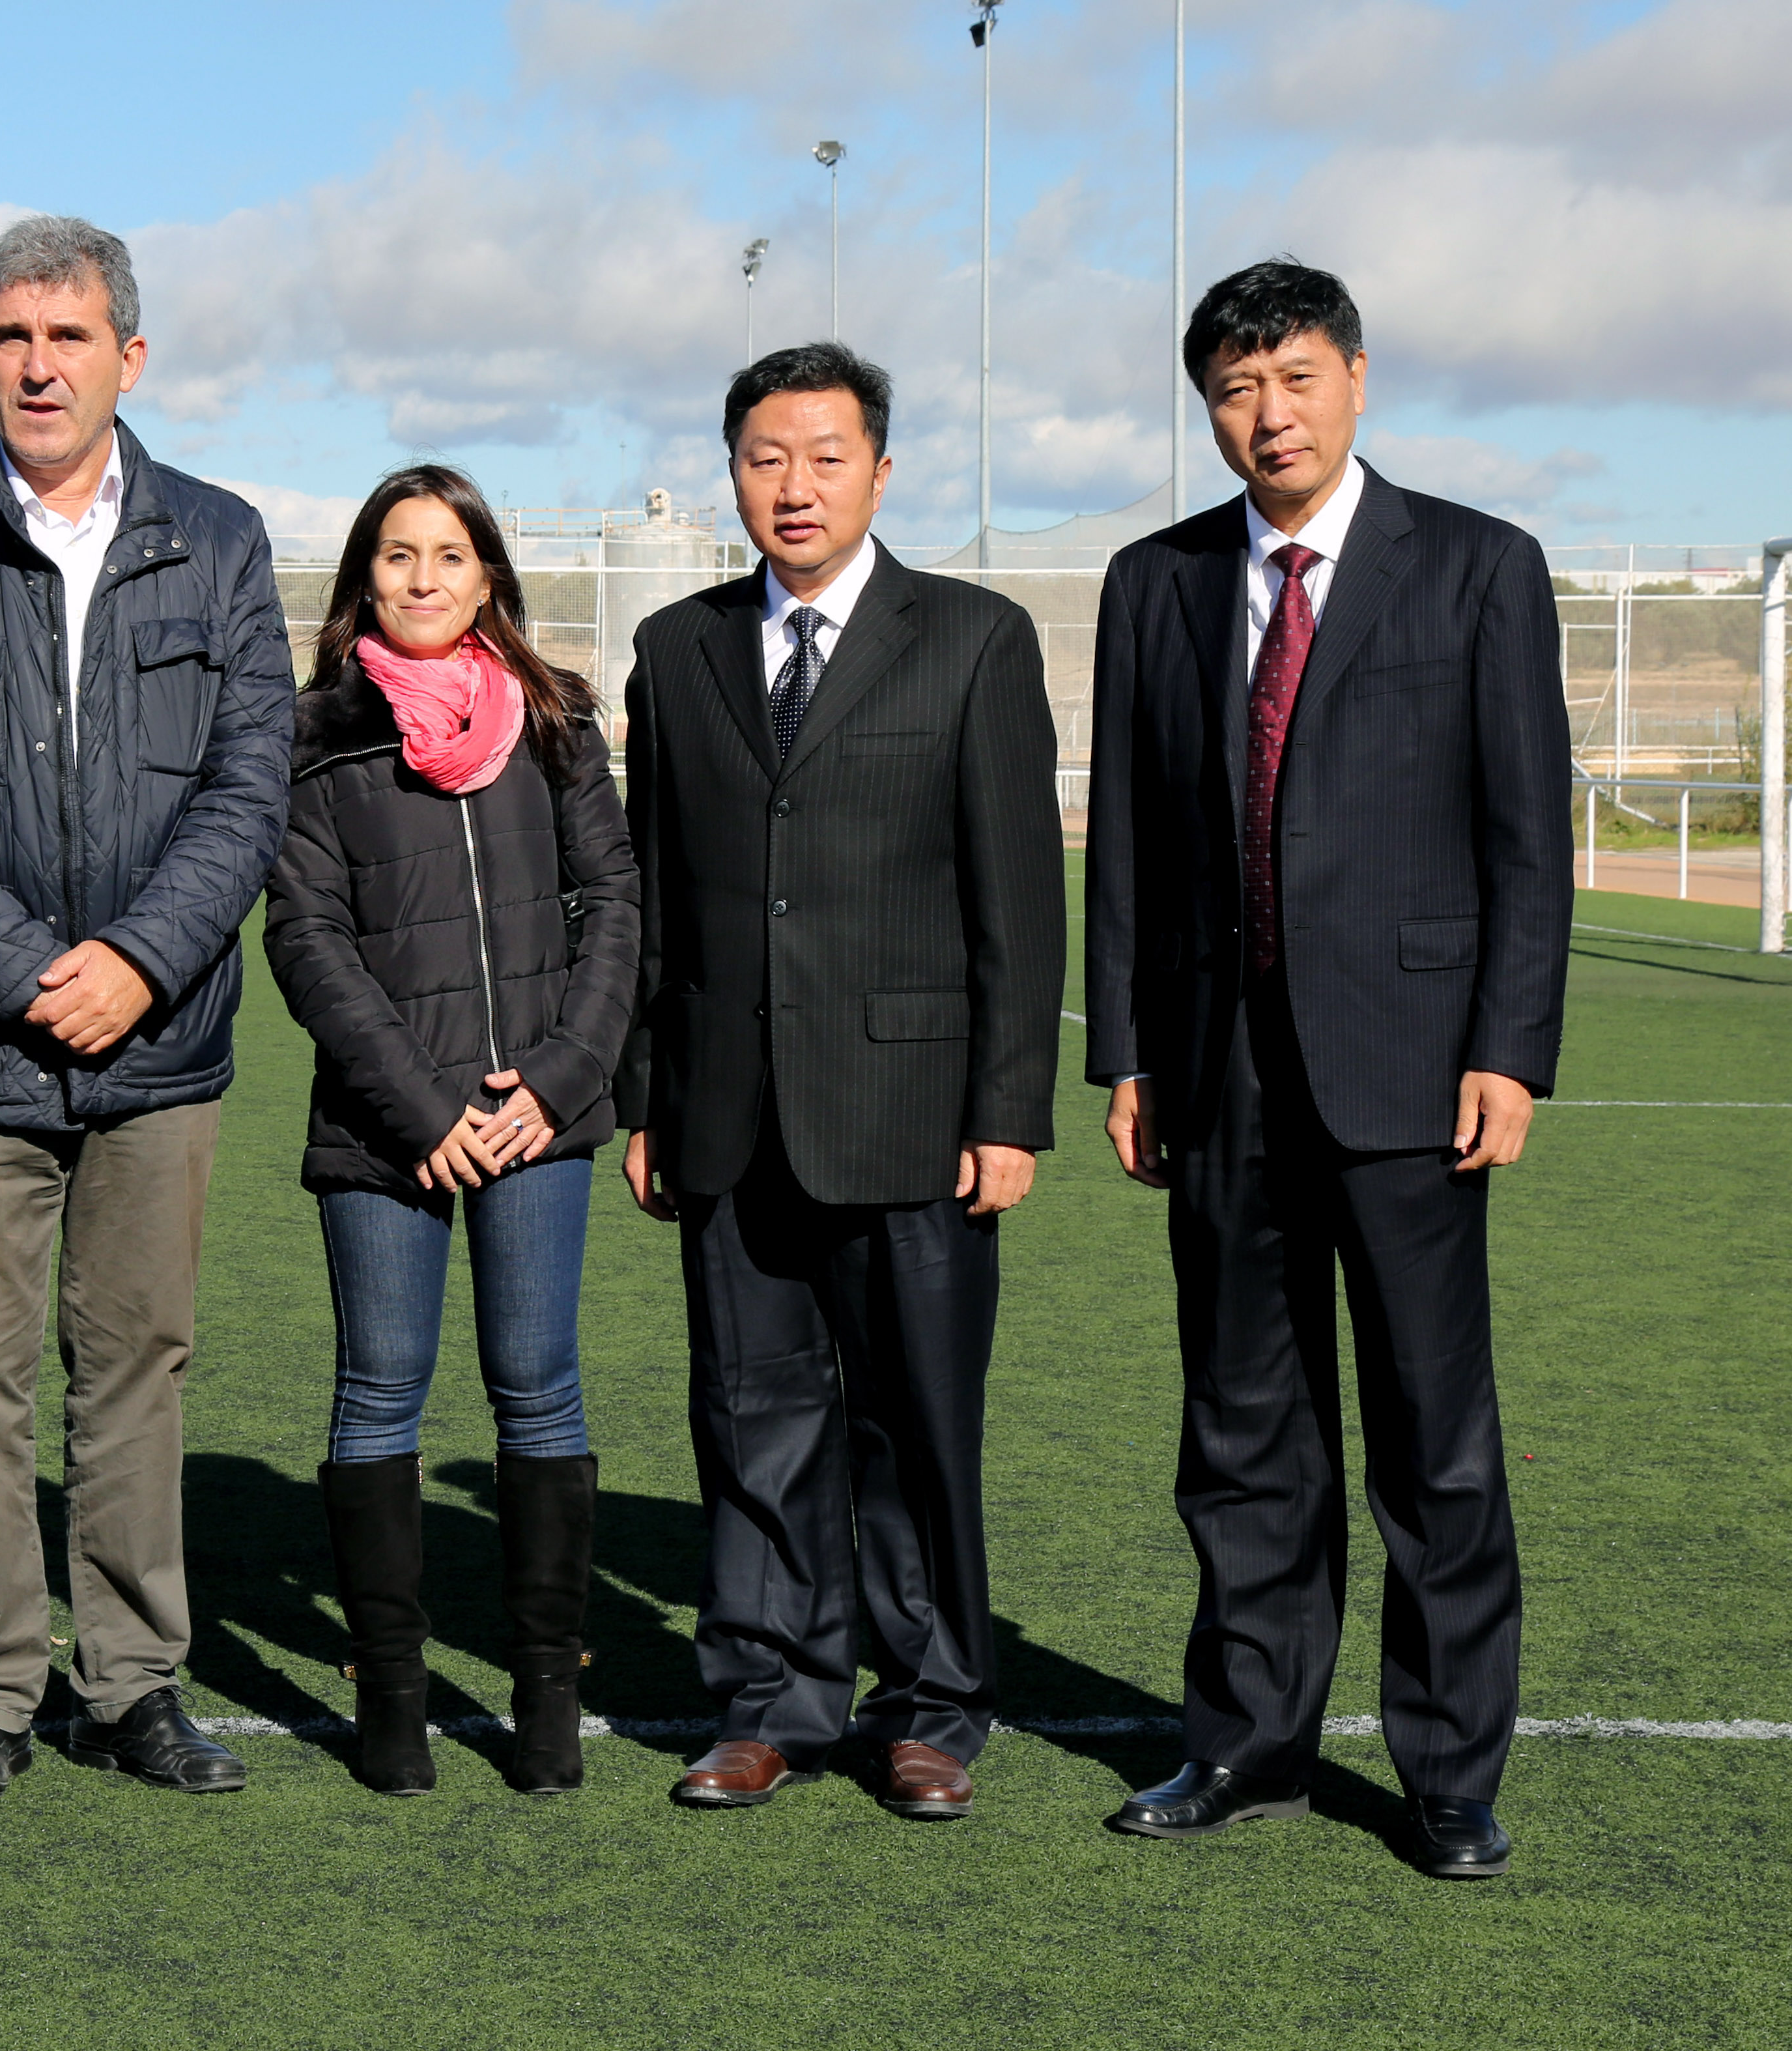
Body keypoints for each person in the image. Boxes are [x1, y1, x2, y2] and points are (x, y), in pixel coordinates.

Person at [1087, 261, 1569, 1879]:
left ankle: (1448, 1774)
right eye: (1233, 386)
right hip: (1219, 1078)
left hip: (1415, 1073)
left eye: (1293, 376)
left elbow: (1525, 834)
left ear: (1357, 377)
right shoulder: (1152, 581)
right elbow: (1135, 847)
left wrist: (1511, 1046)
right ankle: (1244, 1738)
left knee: (1435, 1438)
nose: (1266, 413)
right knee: (1241, 1431)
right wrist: (1131, 1047)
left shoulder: (1481, 567)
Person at [0, 215, 294, 1803]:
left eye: (69, 337)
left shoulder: (220, 537)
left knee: (139, 1362)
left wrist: (145, 958)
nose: (38, 364)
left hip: (161, 1046)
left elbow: (250, 781)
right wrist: (28, 968)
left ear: (128, 357)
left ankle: (136, 1680)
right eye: (11, 336)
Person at [616, 343, 1063, 1820]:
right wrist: (648, 1092)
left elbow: (1018, 896)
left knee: (916, 1421)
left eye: (824, 455)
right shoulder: (676, 649)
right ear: (732, 469)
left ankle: (934, 1702)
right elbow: (654, 898)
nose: (793, 485)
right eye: (764, 456)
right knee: (752, 1419)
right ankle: (768, 1698)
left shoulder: (976, 640)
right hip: (730, 1110)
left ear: (882, 466)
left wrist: (1008, 1108)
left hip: (915, 1114)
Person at [263, 465, 640, 1798]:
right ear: (367, 575)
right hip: (388, 1130)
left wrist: (557, 1075)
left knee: (539, 1381)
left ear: (489, 577)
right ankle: (395, 1703)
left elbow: (614, 899)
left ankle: (545, 1704)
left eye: (451, 555)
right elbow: (303, 939)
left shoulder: (556, 719)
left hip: (541, 1111)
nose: (425, 577)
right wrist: (423, 1109)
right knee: (381, 1386)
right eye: (399, 554)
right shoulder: (316, 736)